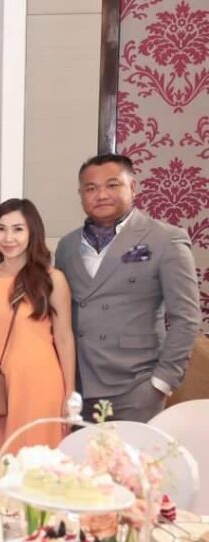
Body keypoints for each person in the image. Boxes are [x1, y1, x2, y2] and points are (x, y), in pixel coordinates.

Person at [55, 153, 200, 422]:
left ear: (132, 187)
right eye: (91, 188)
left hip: (136, 385)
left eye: (112, 185)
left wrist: (163, 380)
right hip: (79, 386)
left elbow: (187, 316)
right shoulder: (67, 246)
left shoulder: (165, 239)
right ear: (80, 194)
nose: (101, 195)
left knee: (134, 451)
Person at [0, 199, 75, 450]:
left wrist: (70, 393)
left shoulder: (52, 279)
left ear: (32, 232)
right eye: (1, 229)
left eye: (18, 229)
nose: (8, 238)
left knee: (37, 457)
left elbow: (64, 339)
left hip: (41, 381)